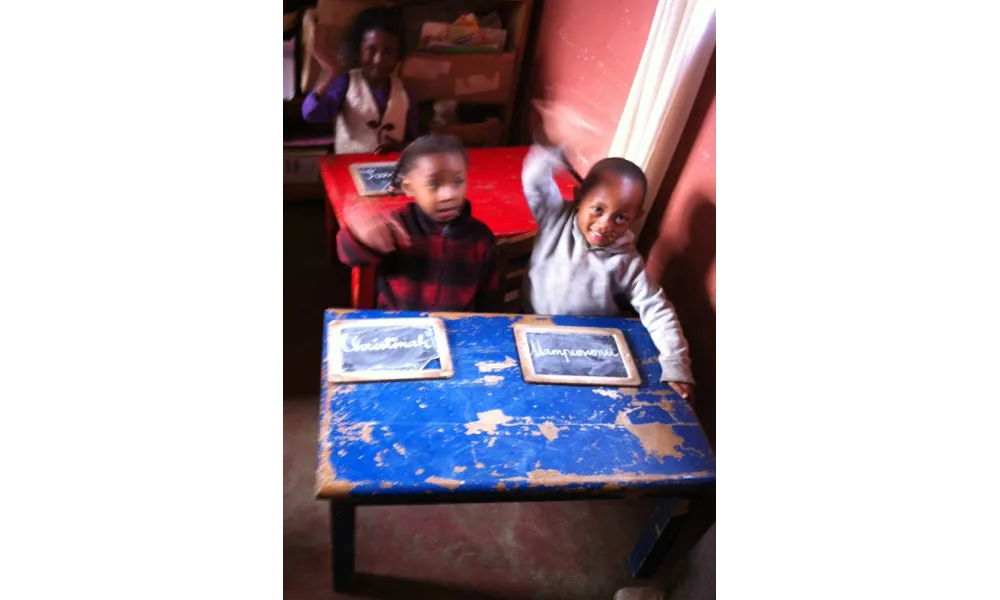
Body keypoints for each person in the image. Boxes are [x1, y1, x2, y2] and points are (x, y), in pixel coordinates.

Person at [520, 138, 695, 398]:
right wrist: (553, 146)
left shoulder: (627, 261)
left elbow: (658, 311)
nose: (605, 224)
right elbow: (535, 179)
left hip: (588, 346)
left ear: (637, 217)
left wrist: (676, 365)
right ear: (579, 197)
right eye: (598, 209)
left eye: (621, 217)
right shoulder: (554, 217)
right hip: (530, 327)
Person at [337, 134, 499, 311]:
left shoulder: (481, 238)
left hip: (456, 330)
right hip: (399, 326)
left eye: (457, 181)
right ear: (409, 187)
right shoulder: (395, 226)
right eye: (433, 184)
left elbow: (488, 298)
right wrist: (358, 234)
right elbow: (350, 256)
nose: (449, 194)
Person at [301, 6, 419, 154]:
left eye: (388, 52)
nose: (378, 60)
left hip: (391, 171)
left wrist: (400, 147)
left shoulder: (404, 93)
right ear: (359, 49)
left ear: (399, 56)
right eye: (371, 50)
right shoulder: (346, 83)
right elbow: (311, 114)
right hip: (348, 168)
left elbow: (413, 140)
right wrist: (327, 77)